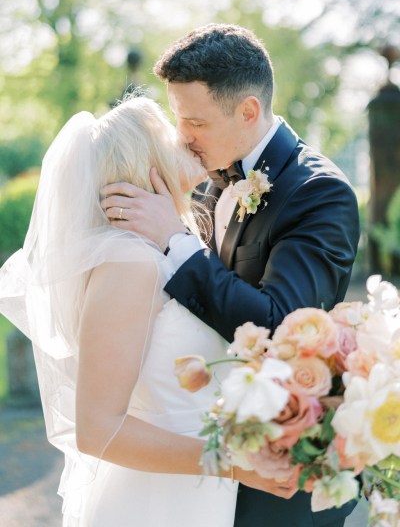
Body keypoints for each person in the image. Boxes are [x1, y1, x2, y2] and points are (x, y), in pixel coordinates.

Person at [101, 24, 361, 527]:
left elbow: (276, 325)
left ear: (248, 111)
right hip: (206, 463)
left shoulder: (319, 194)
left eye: (195, 121)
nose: (183, 137)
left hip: (279, 474)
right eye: (179, 119)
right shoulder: (208, 178)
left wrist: (173, 241)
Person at [0, 96, 276, 527]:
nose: (186, 139)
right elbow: (96, 430)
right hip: (152, 502)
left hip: (195, 492)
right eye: (171, 135)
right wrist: (233, 462)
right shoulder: (130, 264)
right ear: (146, 163)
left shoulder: (166, 251)